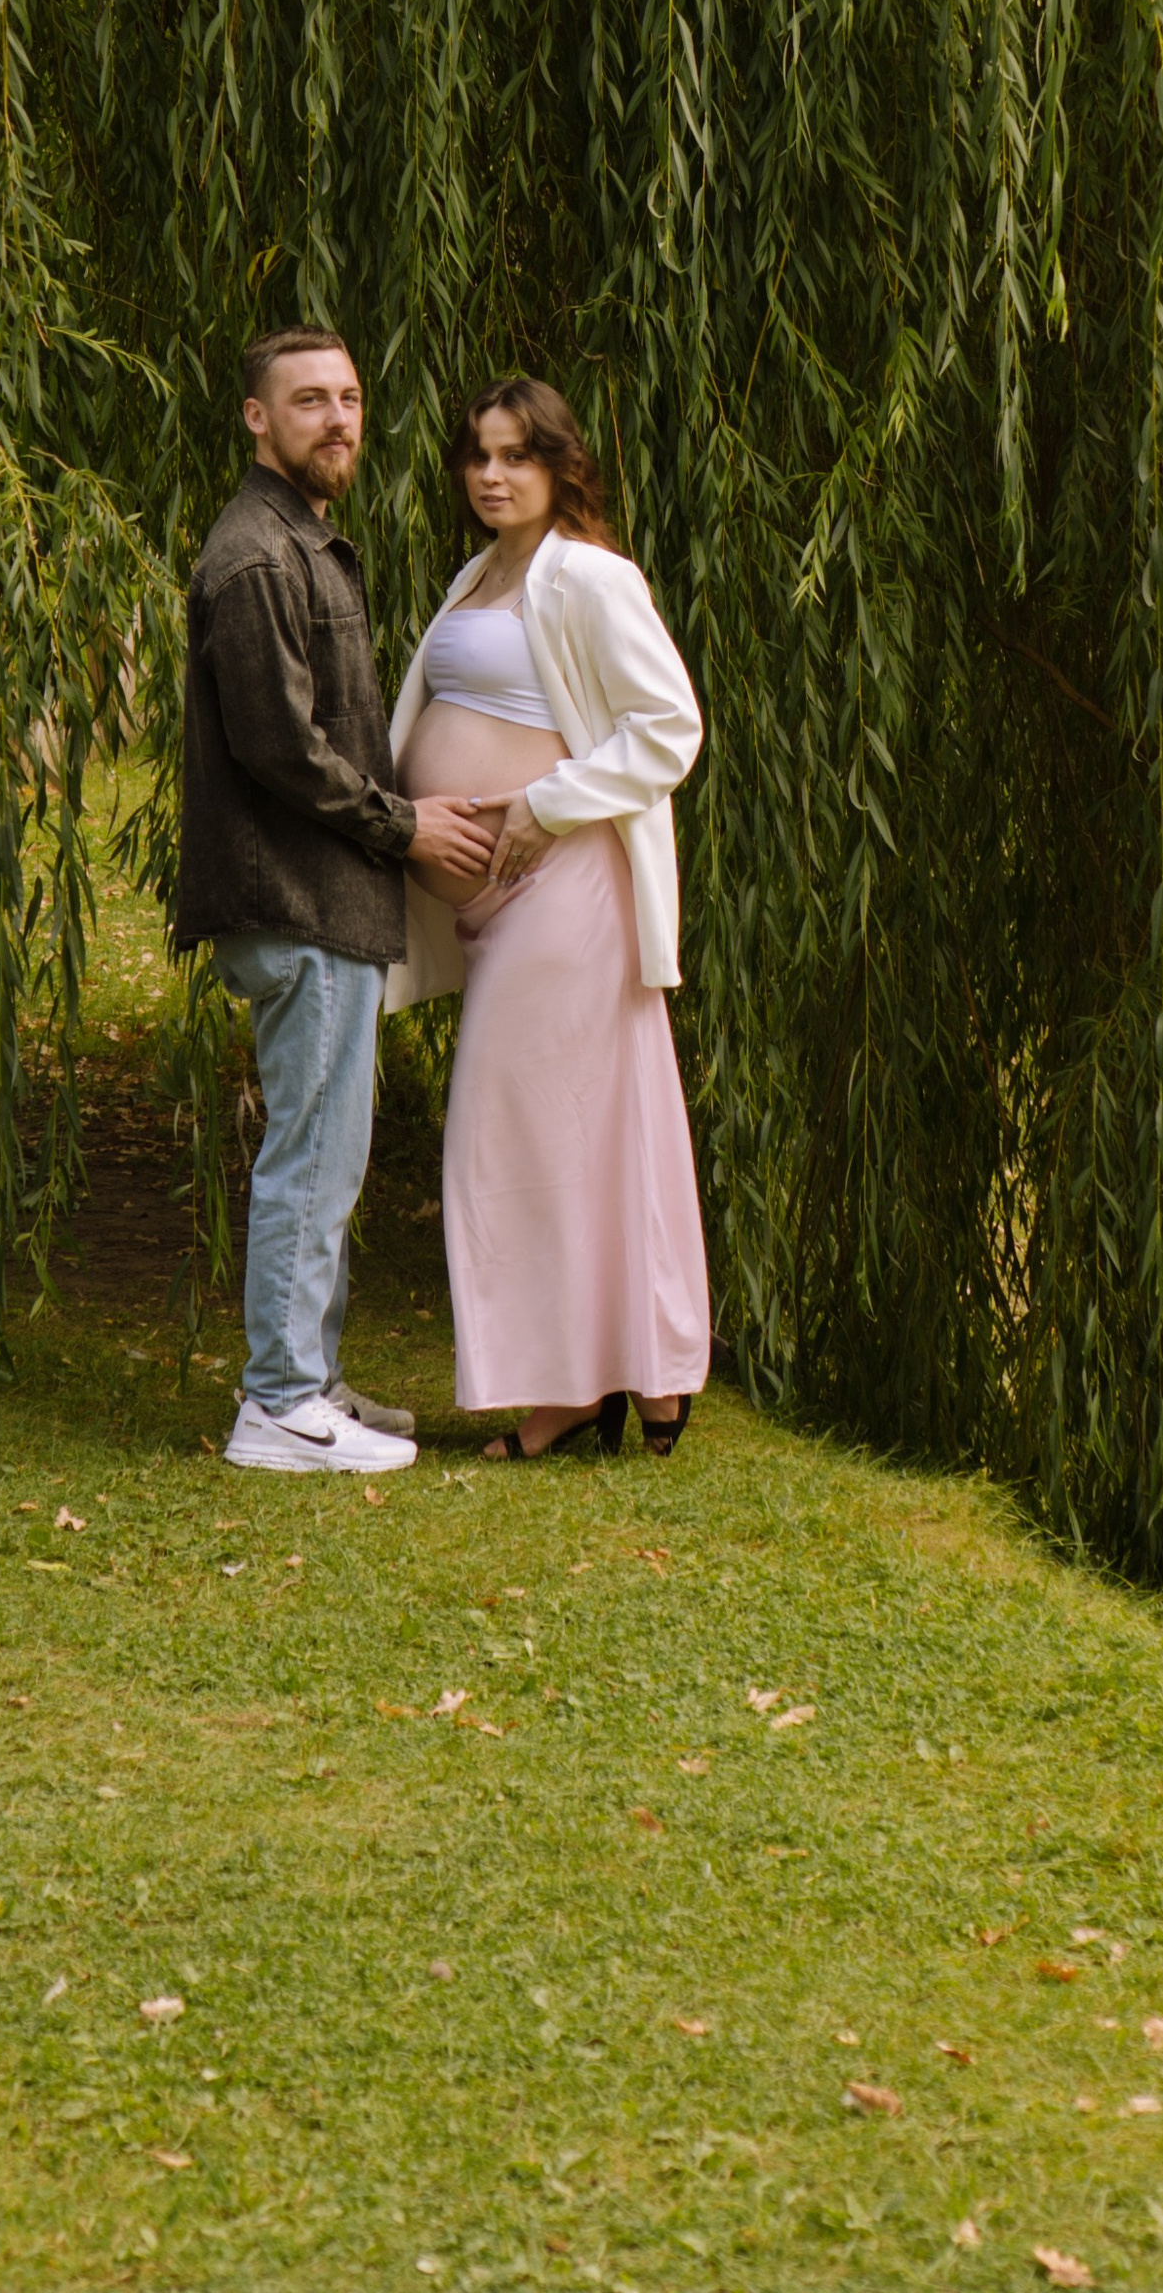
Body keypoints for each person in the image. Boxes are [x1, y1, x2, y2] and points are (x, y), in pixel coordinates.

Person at [173, 328, 499, 1476]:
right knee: (312, 1156)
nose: (339, 419)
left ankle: (309, 1380)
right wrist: (404, 825)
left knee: (332, 1152)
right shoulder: (258, 558)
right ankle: (277, 1406)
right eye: (309, 399)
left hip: (326, 902)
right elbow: (279, 747)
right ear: (256, 418)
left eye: (351, 397)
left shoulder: (300, 542)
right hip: (295, 900)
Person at [386, 377, 710, 1461]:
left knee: (510, 1129)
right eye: (478, 455)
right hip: (492, 902)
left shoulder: (592, 578)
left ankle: (577, 1389)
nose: (491, 475)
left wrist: (543, 804)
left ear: (561, 465)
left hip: (567, 886)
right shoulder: (477, 574)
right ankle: (629, 1379)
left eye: (516, 455)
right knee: (572, 1131)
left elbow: (668, 727)